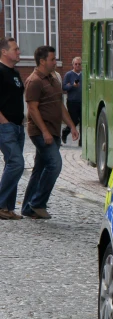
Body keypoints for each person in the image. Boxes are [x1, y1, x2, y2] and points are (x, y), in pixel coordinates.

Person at [21, 46, 78, 220]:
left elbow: (60, 106)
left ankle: (27, 208)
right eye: (52, 59)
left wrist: (72, 126)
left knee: (39, 169)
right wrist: (45, 132)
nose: (55, 62)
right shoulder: (34, 81)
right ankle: (38, 203)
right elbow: (33, 109)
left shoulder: (54, 79)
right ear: (42, 61)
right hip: (40, 132)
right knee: (55, 164)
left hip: (53, 131)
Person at [0, 37, 25, 220]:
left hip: (18, 126)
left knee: (12, 165)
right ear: (4, 52)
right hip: (5, 127)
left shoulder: (15, 73)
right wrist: (4, 122)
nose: (19, 52)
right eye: (15, 49)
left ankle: (8, 208)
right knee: (17, 163)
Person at [61, 56, 82, 145]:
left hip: (82, 101)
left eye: (79, 64)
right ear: (73, 65)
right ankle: (65, 132)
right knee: (74, 120)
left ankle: (81, 141)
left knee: (82, 121)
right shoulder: (69, 74)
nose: (77, 66)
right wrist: (72, 85)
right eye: (75, 64)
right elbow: (64, 87)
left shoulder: (83, 74)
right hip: (72, 101)